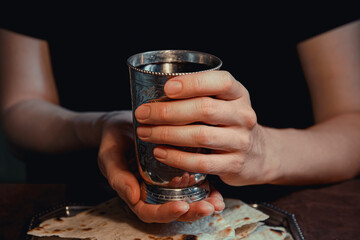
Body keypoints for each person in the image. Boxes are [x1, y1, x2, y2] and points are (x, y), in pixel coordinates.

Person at [0, 4, 359, 223]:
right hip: (79, 204)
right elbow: (19, 110)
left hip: (272, 214)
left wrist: (266, 151)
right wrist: (98, 126)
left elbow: (352, 123)